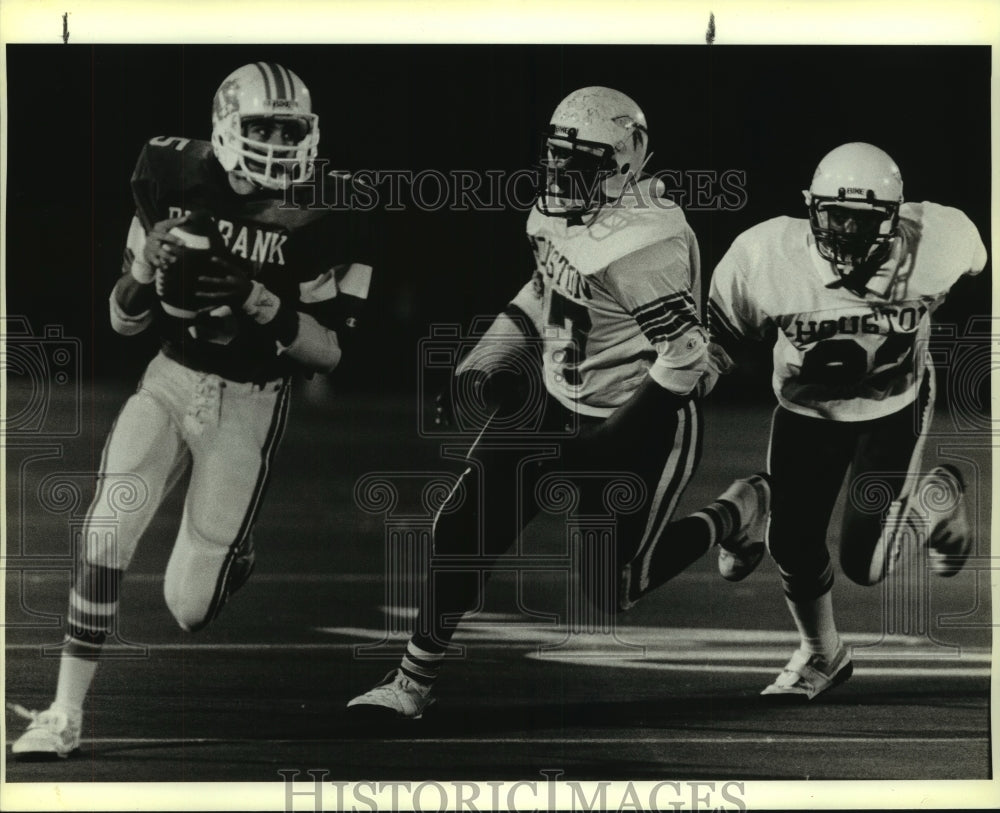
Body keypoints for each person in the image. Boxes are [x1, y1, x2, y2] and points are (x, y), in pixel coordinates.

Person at [346, 86, 769, 720]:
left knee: (616, 587)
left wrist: (617, 438)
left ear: (623, 162)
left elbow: (685, 355)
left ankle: (739, 509)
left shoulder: (643, 242)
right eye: (556, 156)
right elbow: (544, 288)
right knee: (461, 526)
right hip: (553, 396)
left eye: (579, 161)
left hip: (638, 411)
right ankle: (412, 681)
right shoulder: (556, 210)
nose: (560, 173)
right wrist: (485, 359)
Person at [10, 61, 373, 758]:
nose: (277, 143)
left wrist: (252, 297)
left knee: (188, 606)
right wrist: (146, 268)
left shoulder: (328, 207)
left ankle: (235, 551)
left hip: (250, 401)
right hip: (173, 377)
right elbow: (122, 321)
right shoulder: (171, 177)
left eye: (289, 130)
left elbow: (327, 353)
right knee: (106, 529)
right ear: (226, 128)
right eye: (263, 127)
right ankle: (63, 712)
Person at [707, 142, 986, 700]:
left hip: (893, 404)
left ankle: (938, 496)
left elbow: (976, 261)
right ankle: (821, 652)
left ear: (897, 217)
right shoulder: (765, 255)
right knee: (791, 544)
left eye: (864, 219)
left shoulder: (939, 238)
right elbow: (719, 341)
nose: (849, 232)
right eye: (837, 216)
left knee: (869, 565)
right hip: (806, 408)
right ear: (812, 208)